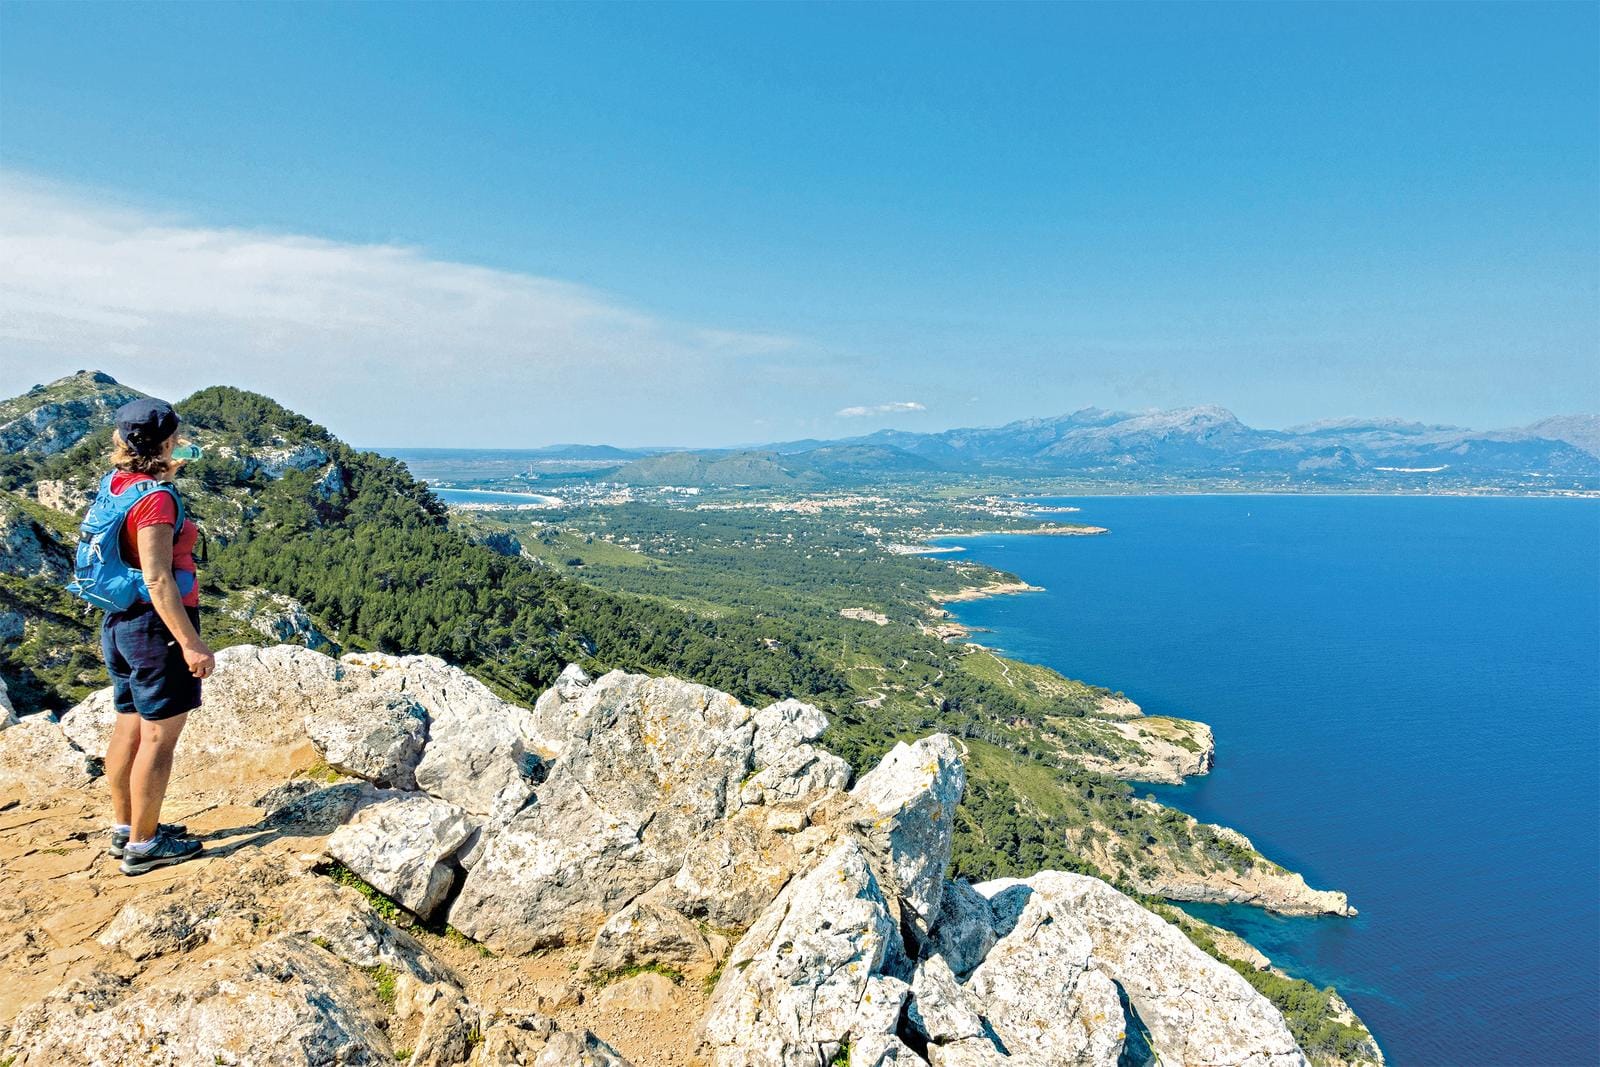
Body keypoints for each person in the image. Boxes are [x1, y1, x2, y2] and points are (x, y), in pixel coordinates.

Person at [97, 398, 214, 874]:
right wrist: (190, 642)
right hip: (156, 627)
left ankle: (127, 827)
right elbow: (159, 578)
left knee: (128, 725)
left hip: (119, 622)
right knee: (158, 741)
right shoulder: (155, 500)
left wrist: (164, 464)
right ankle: (145, 848)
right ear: (167, 441)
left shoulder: (116, 484)